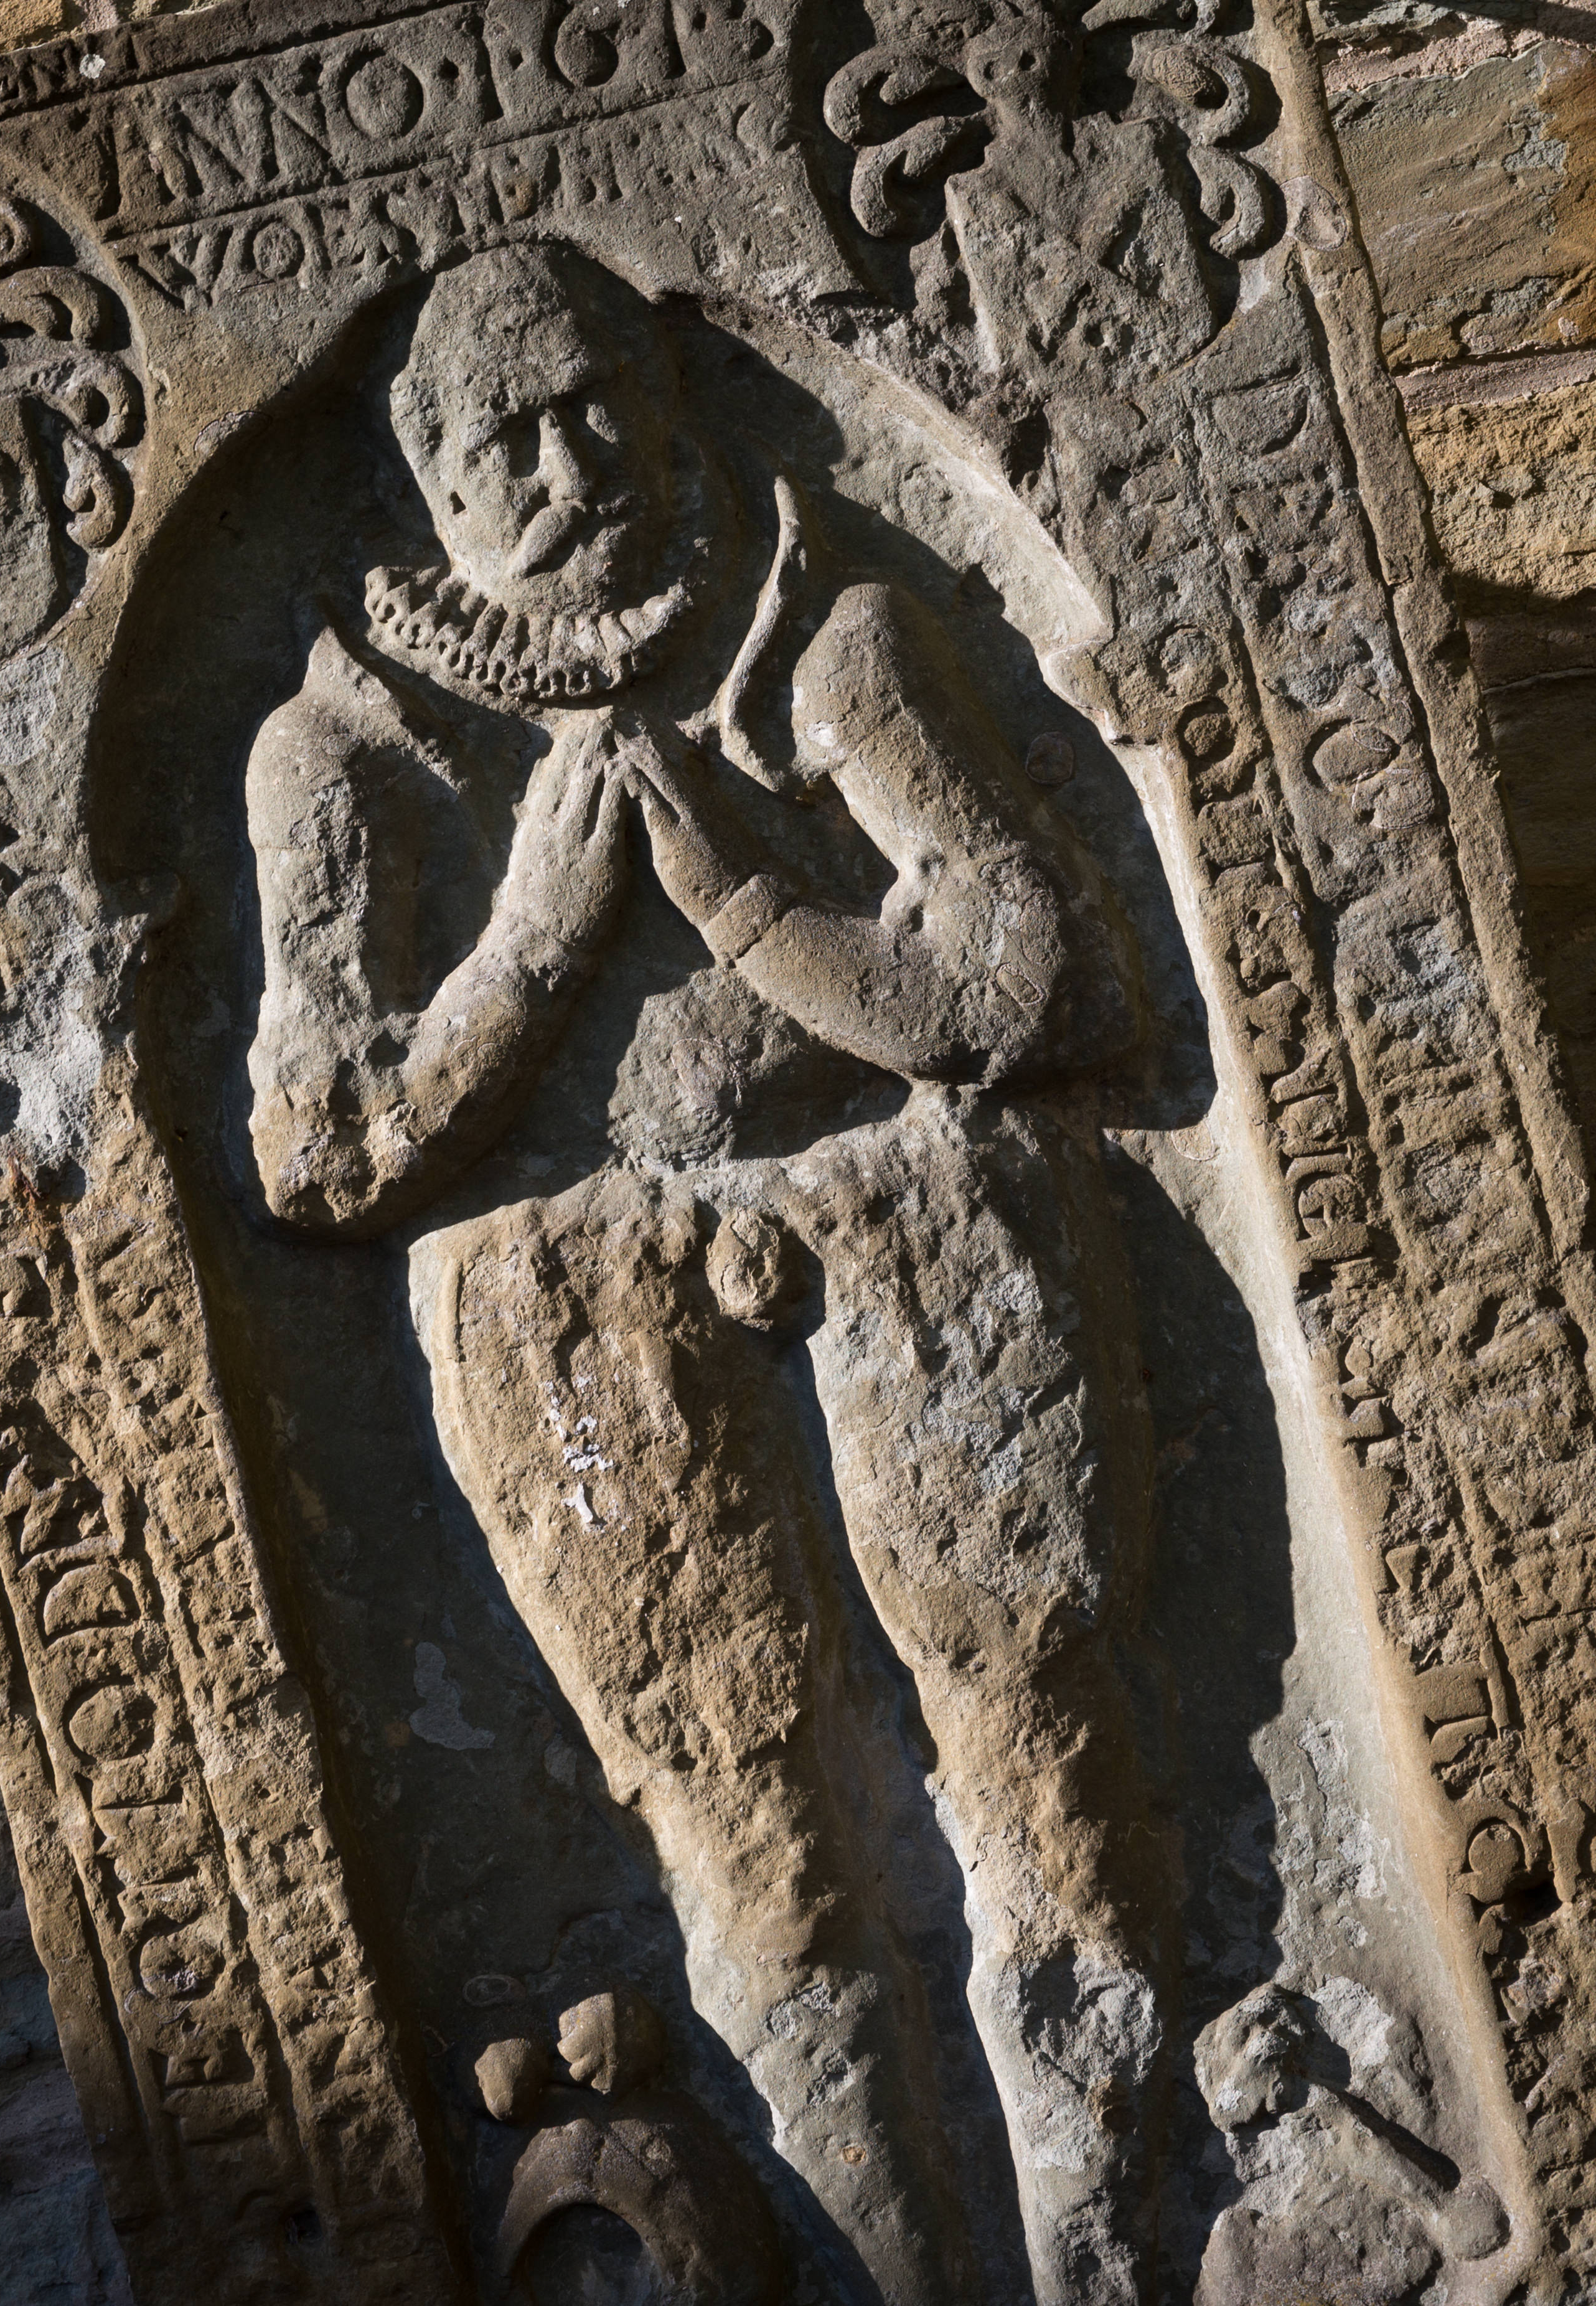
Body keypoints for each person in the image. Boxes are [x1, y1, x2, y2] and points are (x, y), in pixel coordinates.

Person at [247, 238, 1168, 2305]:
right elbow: (317, 1148)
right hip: (574, 1311)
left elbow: (1041, 978)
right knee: (748, 1823)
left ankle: (1108, 2240)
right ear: (428, 480)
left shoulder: (814, 632)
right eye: (506, 443)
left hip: (913, 1225)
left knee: (1033, 1717)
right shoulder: (354, 745)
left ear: (669, 414)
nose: (567, 469)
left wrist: (744, 903)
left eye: (601, 409)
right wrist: (537, 936)